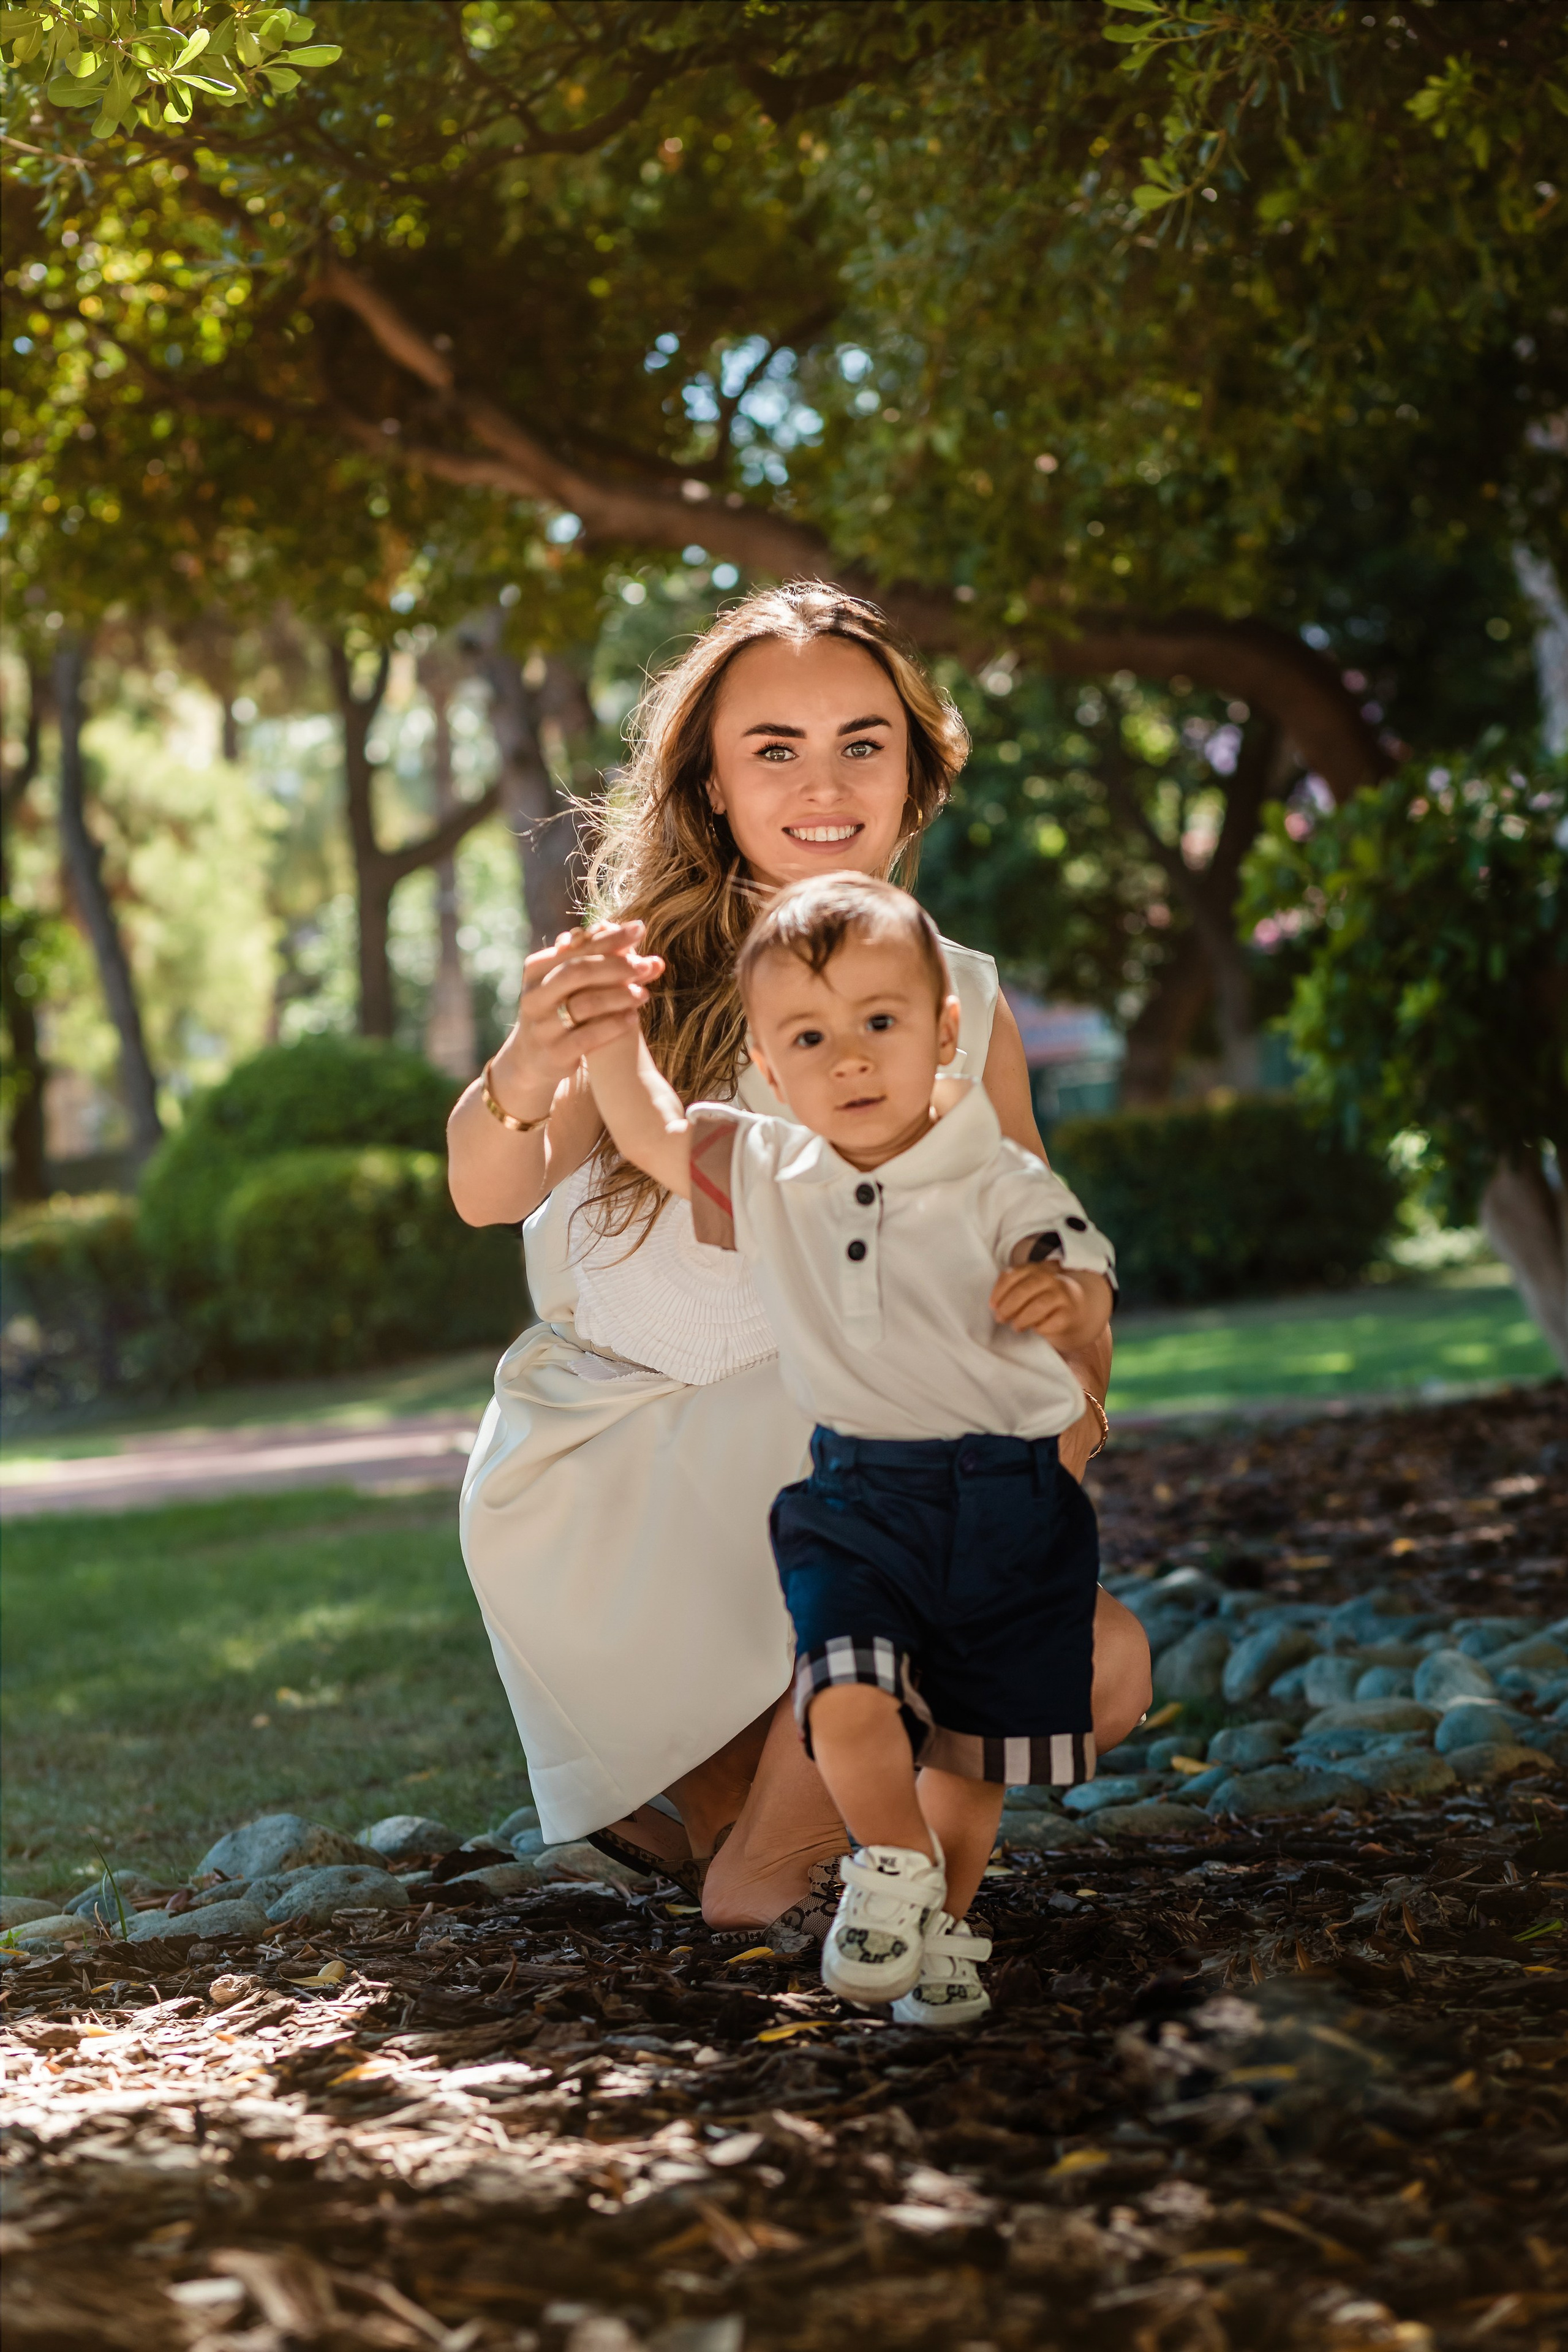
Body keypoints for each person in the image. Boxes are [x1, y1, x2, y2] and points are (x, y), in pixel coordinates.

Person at [448, 581, 1150, 1934]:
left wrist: (1077, 1373)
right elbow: (488, 1194)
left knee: (1094, 1659)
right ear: (710, 785)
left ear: (914, 767)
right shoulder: (643, 972)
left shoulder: (964, 995)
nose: (822, 782)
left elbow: (1037, 1229)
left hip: (825, 1460)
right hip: (615, 1477)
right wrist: (531, 1062)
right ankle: (760, 1873)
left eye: (861, 742)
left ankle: (774, 1864)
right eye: (773, 748)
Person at [582, 873, 1116, 2026]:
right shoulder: (776, 1172)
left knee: (976, 1752)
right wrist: (617, 1037)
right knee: (844, 1695)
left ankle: (950, 1926)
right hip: (861, 1489)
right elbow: (652, 1133)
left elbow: (1075, 1270)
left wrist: (1065, 1307)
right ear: (770, 1071)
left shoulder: (997, 1177)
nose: (851, 1061)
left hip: (1008, 1496)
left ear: (947, 1033)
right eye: (810, 1038)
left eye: (881, 1024)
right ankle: (892, 1864)